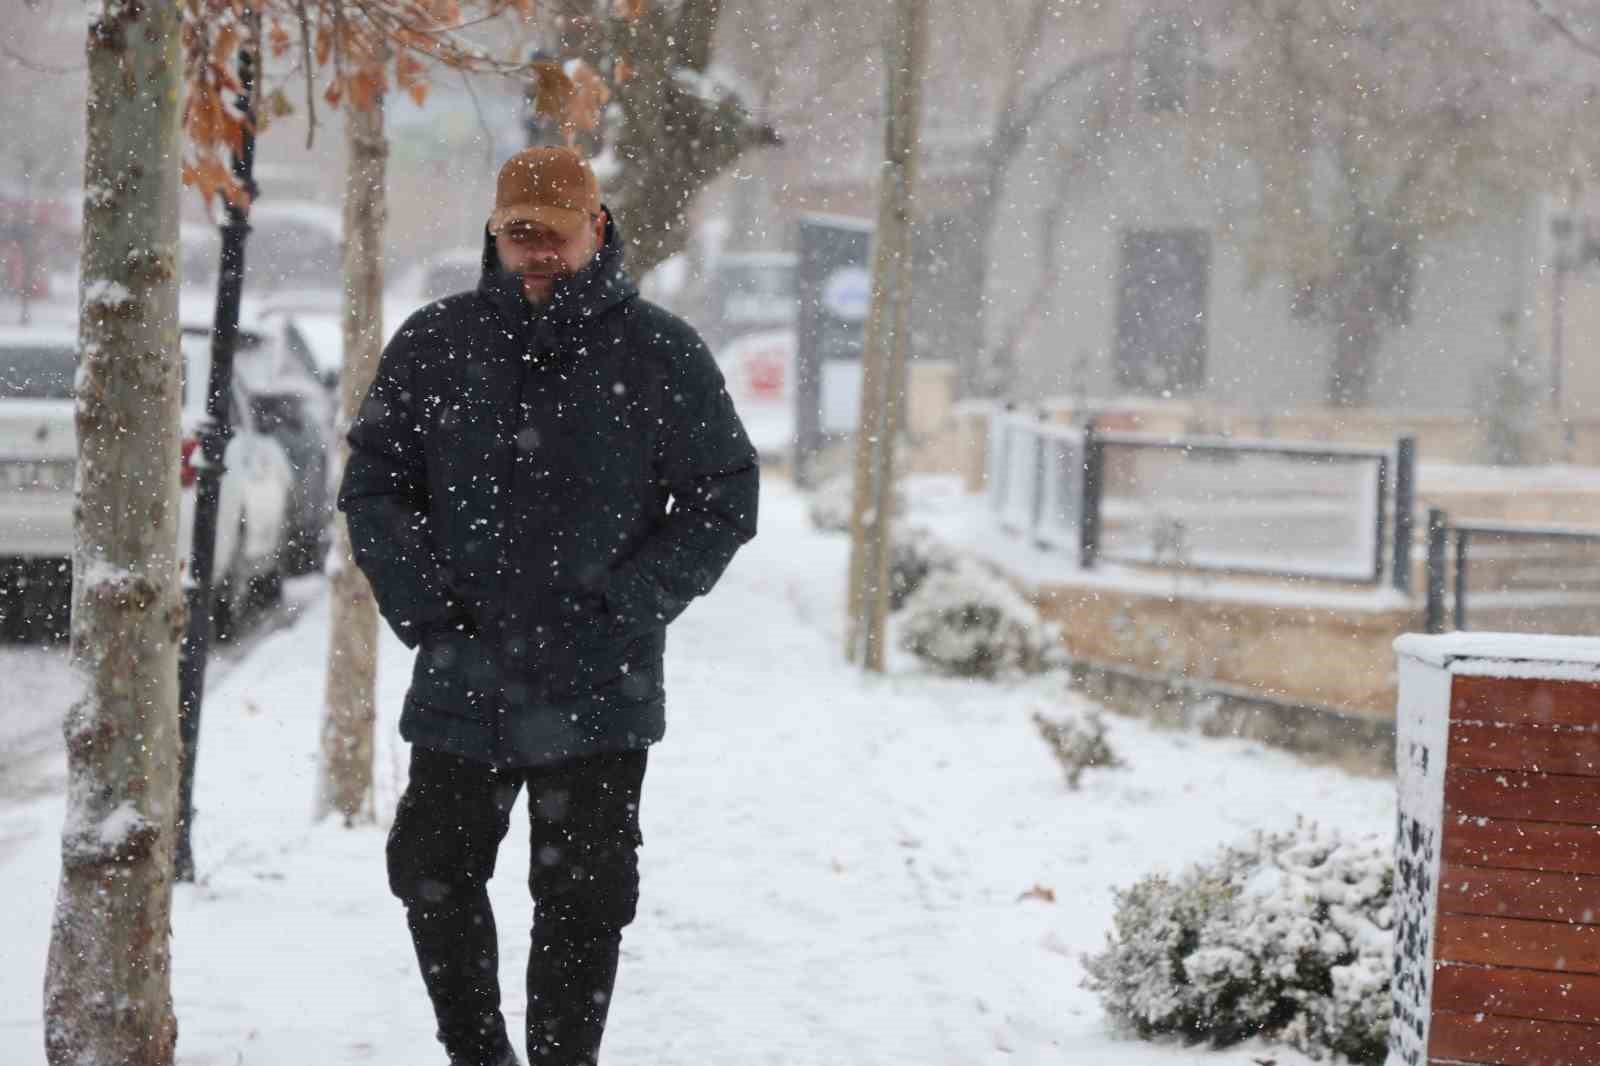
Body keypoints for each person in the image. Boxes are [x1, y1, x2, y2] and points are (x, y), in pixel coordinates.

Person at [338, 146, 759, 1066]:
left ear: (596, 228)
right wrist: (431, 613)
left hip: (599, 683)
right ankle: (479, 1055)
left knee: (585, 898)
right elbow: (373, 488)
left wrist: (628, 605)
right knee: (433, 876)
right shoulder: (436, 342)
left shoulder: (658, 352)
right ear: (495, 231)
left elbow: (725, 497)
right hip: (464, 674)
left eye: (553, 234)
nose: (534, 252)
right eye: (517, 232)